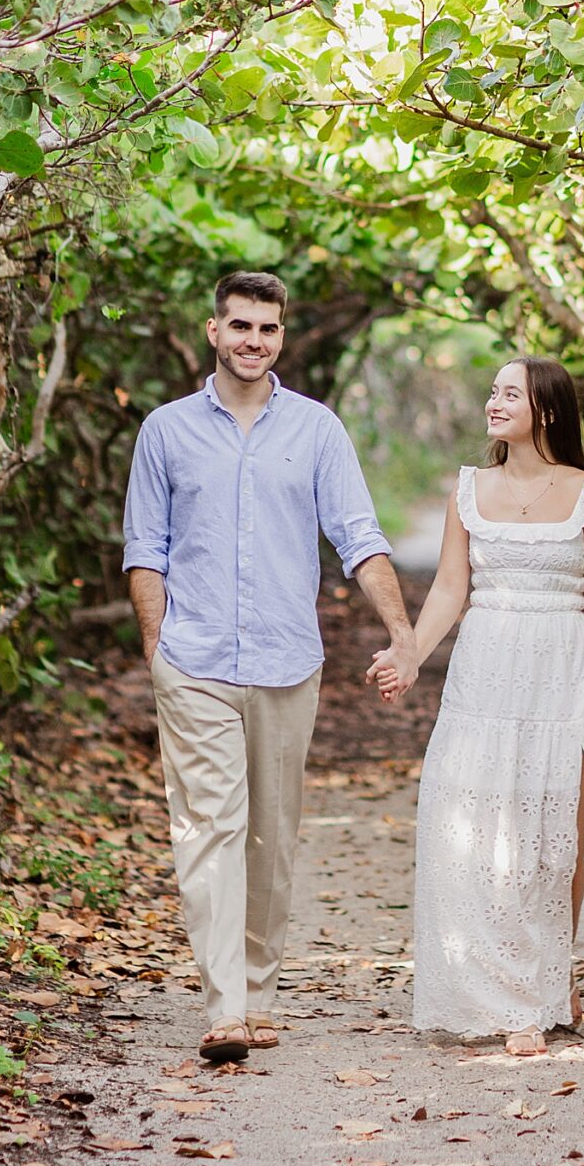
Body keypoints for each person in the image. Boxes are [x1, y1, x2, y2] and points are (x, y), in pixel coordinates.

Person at [123, 270, 418, 1065]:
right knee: (210, 829)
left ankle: (258, 989)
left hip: (289, 662)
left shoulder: (317, 430)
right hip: (194, 661)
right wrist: (158, 648)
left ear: (281, 337)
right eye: (241, 326)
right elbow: (144, 549)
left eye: (269, 329)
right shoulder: (166, 430)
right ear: (213, 331)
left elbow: (359, 535)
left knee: (272, 838)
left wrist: (403, 632)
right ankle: (224, 1005)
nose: (254, 341)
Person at [374, 354, 584, 1054]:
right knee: (485, 826)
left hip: (566, 673)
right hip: (486, 672)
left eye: (509, 393)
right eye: (492, 390)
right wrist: (409, 653)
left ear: (545, 409)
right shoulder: (468, 490)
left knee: (555, 842)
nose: (493, 401)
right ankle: (511, 999)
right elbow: (450, 589)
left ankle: (548, 978)